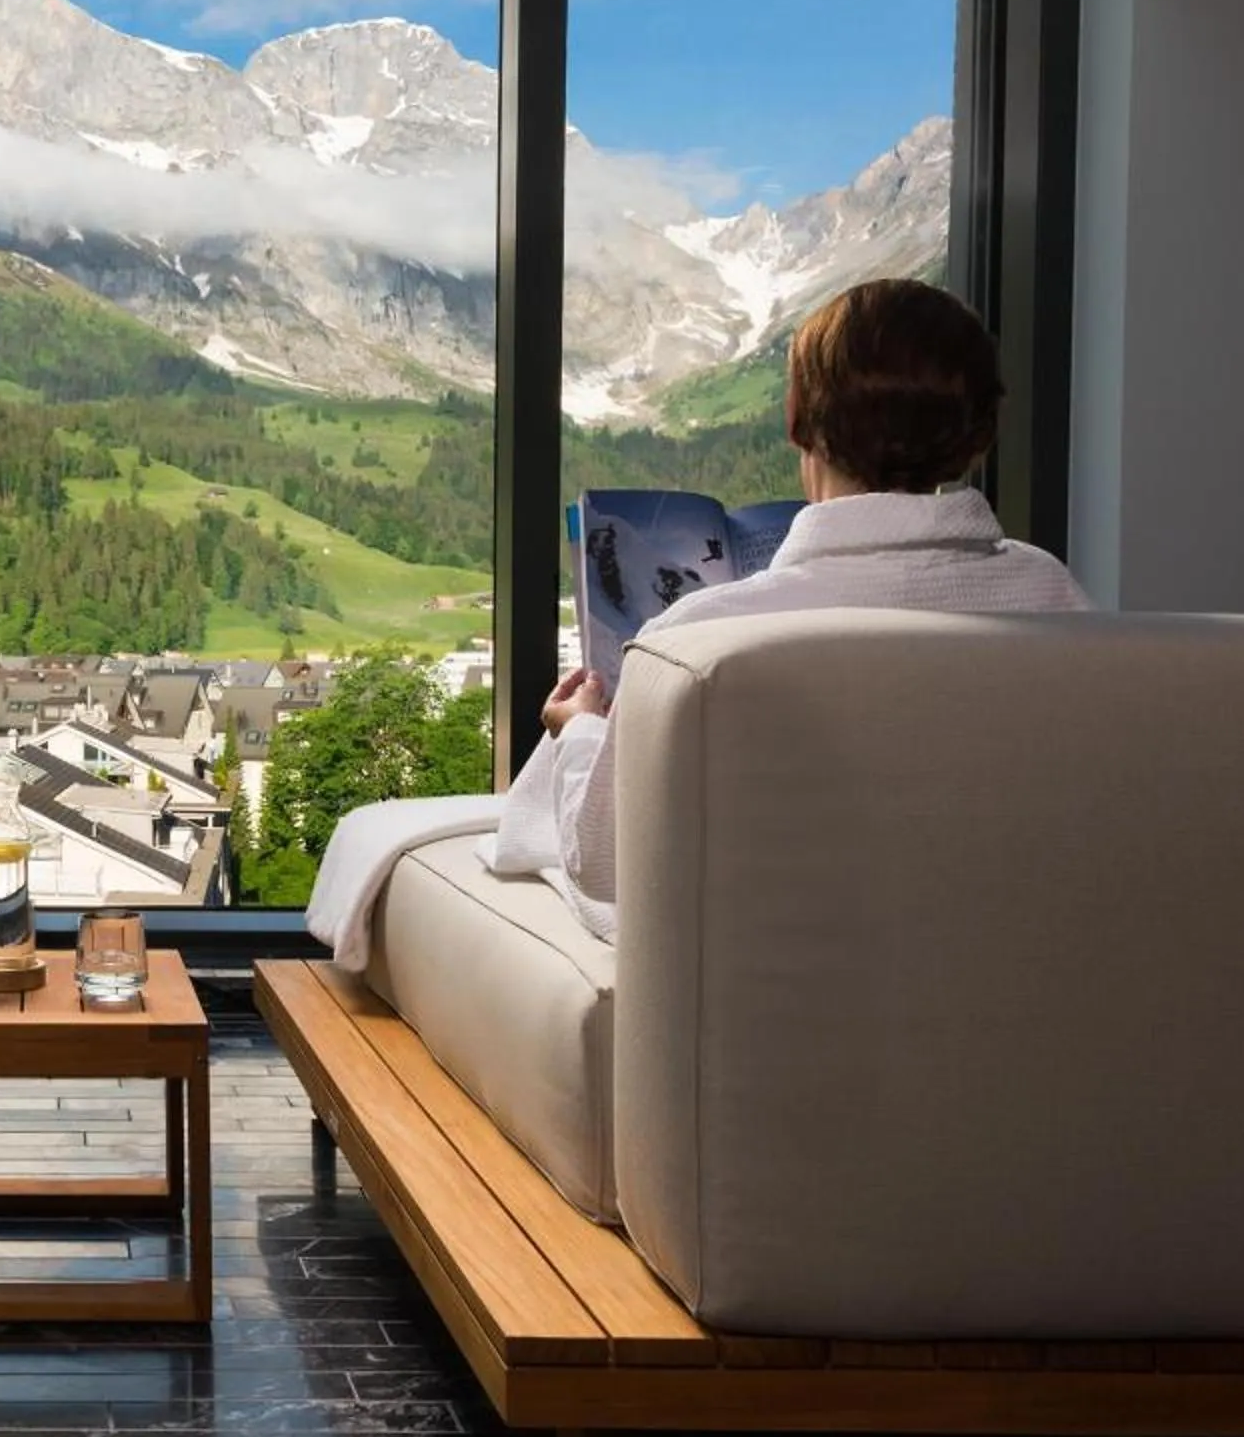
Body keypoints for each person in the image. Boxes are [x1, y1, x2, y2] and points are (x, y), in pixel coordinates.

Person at [304, 277, 1089, 967]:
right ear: (980, 434)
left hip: (783, 972)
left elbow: (604, 861)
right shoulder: (1050, 593)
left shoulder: (705, 634)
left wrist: (580, 730)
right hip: (992, 960)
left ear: (795, 419)